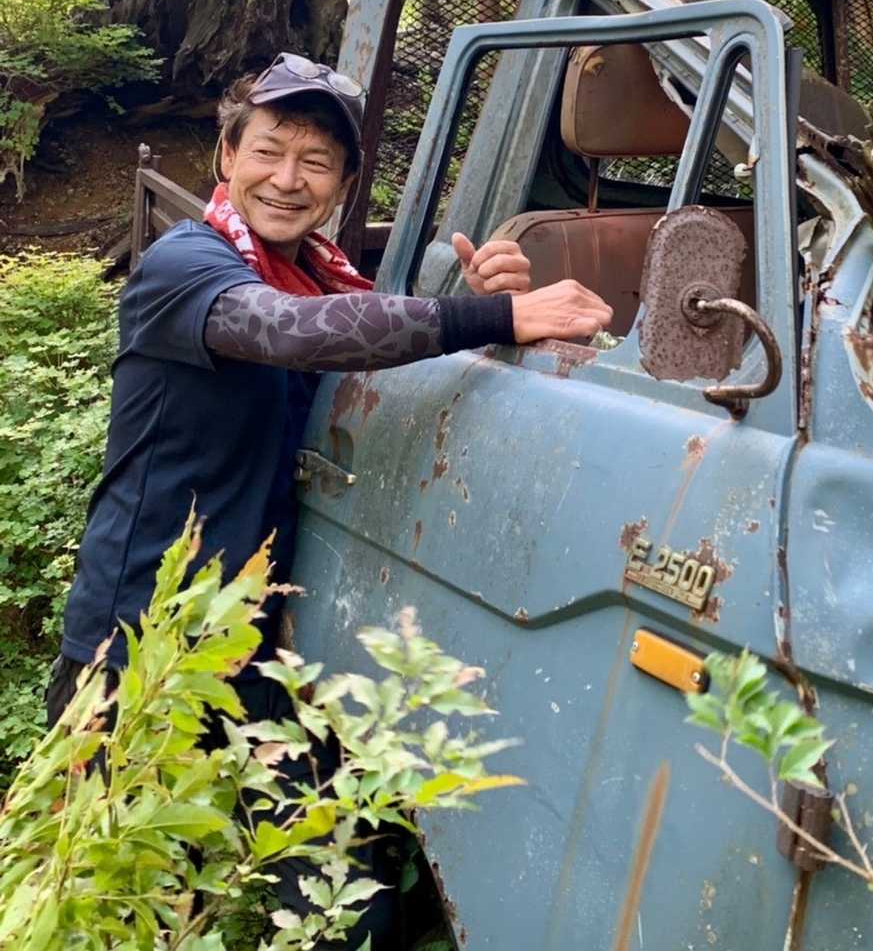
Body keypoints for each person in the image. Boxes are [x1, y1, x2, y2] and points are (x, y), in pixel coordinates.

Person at [47, 51, 613, 946]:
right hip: (140, 645)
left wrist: (476, 316)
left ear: (344, 186)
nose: (288, 179)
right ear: (227, 155)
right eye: (269, 150)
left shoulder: (320, 275)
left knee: (341, 898)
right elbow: (293, 335)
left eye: (316, 162)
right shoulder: (186, 265)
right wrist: (491, 319)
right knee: (129, 906)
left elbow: (361, 360)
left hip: (258, 647)